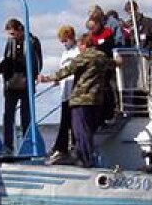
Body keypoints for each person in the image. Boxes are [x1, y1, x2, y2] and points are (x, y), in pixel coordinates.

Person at [38, 34, 114, 168]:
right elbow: (114, 64)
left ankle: (84, 159)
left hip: (81, 98)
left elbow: (67, 70)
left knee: (80, 130)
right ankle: (84, 155)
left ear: (84, 44)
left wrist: (47, 78)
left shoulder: (83, 57)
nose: (79, 48)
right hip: (96, 99)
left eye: (80, 46)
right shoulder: (102, 57)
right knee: (88, 129)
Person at [0, 18, 42, 154]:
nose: (12, 36)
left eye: (13, 33)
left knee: (26, 116)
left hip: (26, 84)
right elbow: (7, 61)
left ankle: (27, 146)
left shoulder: (32, 41)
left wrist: (33, 76)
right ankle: (8, 146)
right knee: (8, 116)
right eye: (10, 34)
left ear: (20, 30)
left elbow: (38, 61)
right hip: (11, 84)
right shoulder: (10, 43)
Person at [49, 25, 80, 164]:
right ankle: (61, 147)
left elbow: (73, 69)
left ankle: (68, 147)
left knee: (71, 121)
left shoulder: (77, 51)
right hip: (65, 90)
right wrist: (57, 79)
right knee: (65, 120)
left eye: (65, 40)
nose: (64, 43)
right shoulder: (65, 53)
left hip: (74, 89)